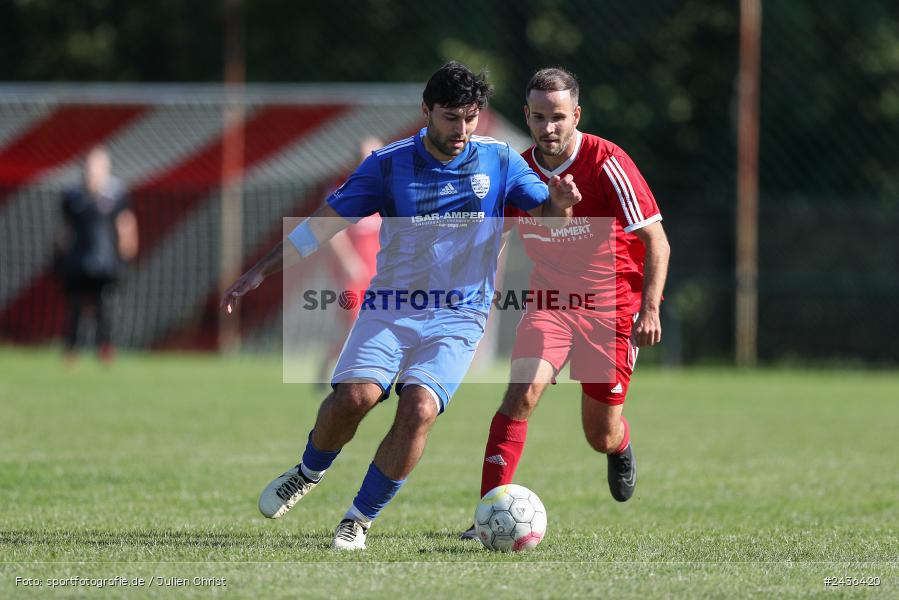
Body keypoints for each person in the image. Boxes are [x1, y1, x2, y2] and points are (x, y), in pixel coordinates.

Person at [221, 61, 581, 550]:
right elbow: (322, 224)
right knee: (355, 398)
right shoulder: (387, 164)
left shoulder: (498, 159)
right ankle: (307, 471)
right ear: (426, 110)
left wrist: (561, 204)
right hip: (390, 309)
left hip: (460, 316)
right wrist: (259, 271)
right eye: (451, 117)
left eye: (471, 117)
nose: (462, 129)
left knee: (420, 407)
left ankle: (358, 519)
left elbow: (550, 218)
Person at [460, 67, 670, 539]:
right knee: (521, 393)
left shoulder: (608, 163)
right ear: (526, 116)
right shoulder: (517, 171)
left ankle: (620, 445)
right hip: (550, 303)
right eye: (539, 117)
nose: (548, 127)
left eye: (558, 117)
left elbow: (657, 241)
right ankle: (486, 516)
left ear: (576, 115)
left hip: (612, 309)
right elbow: (495, 240)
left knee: (599, 433)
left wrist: (651, 309)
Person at [57, 145, 138, 363]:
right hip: (78, 262)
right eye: (89, 167)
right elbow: (65, 230)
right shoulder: (72, 196)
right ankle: (71, 351)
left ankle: (105, 349)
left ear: (106, 169)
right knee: (75, 307)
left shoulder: (116, 194)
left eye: (97, 167)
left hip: (107, 264)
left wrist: (126, 257)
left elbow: (126, 226)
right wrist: (61, 256)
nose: (92, 171)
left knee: (106, 308)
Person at [317, 136, 384, 385]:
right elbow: (329, 231)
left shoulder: (386, 188)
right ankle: (340, 372)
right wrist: (348, 260)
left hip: (379, 270)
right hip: (353, 271)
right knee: (356, 324)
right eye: (362, 156)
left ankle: (349, 372)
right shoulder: (341, 188)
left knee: (376, 325)